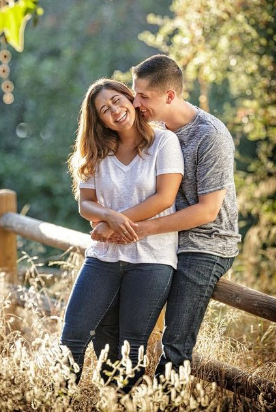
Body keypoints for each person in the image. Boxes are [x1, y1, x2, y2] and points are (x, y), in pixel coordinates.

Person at [93, 55, 241, 378]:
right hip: (162, 237)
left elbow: (208, 210)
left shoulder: (211, 136)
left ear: (170, 96)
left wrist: (143, 228)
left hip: (205, 244)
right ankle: (117, 395)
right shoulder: (154, 129)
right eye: (135, 93)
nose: (135, 102)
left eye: (143, 96)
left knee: (174, 346)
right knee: (106, 319)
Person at [60, 78, 184, 390]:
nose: (114, 110)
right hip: (104, 257)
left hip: (152, 259)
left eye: (117, 100)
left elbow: (164, 198)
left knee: (132, 348)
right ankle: (58, 401)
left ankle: (122, 406)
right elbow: (86, 204)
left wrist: (113, 224)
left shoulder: (163, 142)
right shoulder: (97, 152)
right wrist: (108, 217)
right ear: (98, 119)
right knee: (74, 336)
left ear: (130, 98)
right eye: (104, 109)